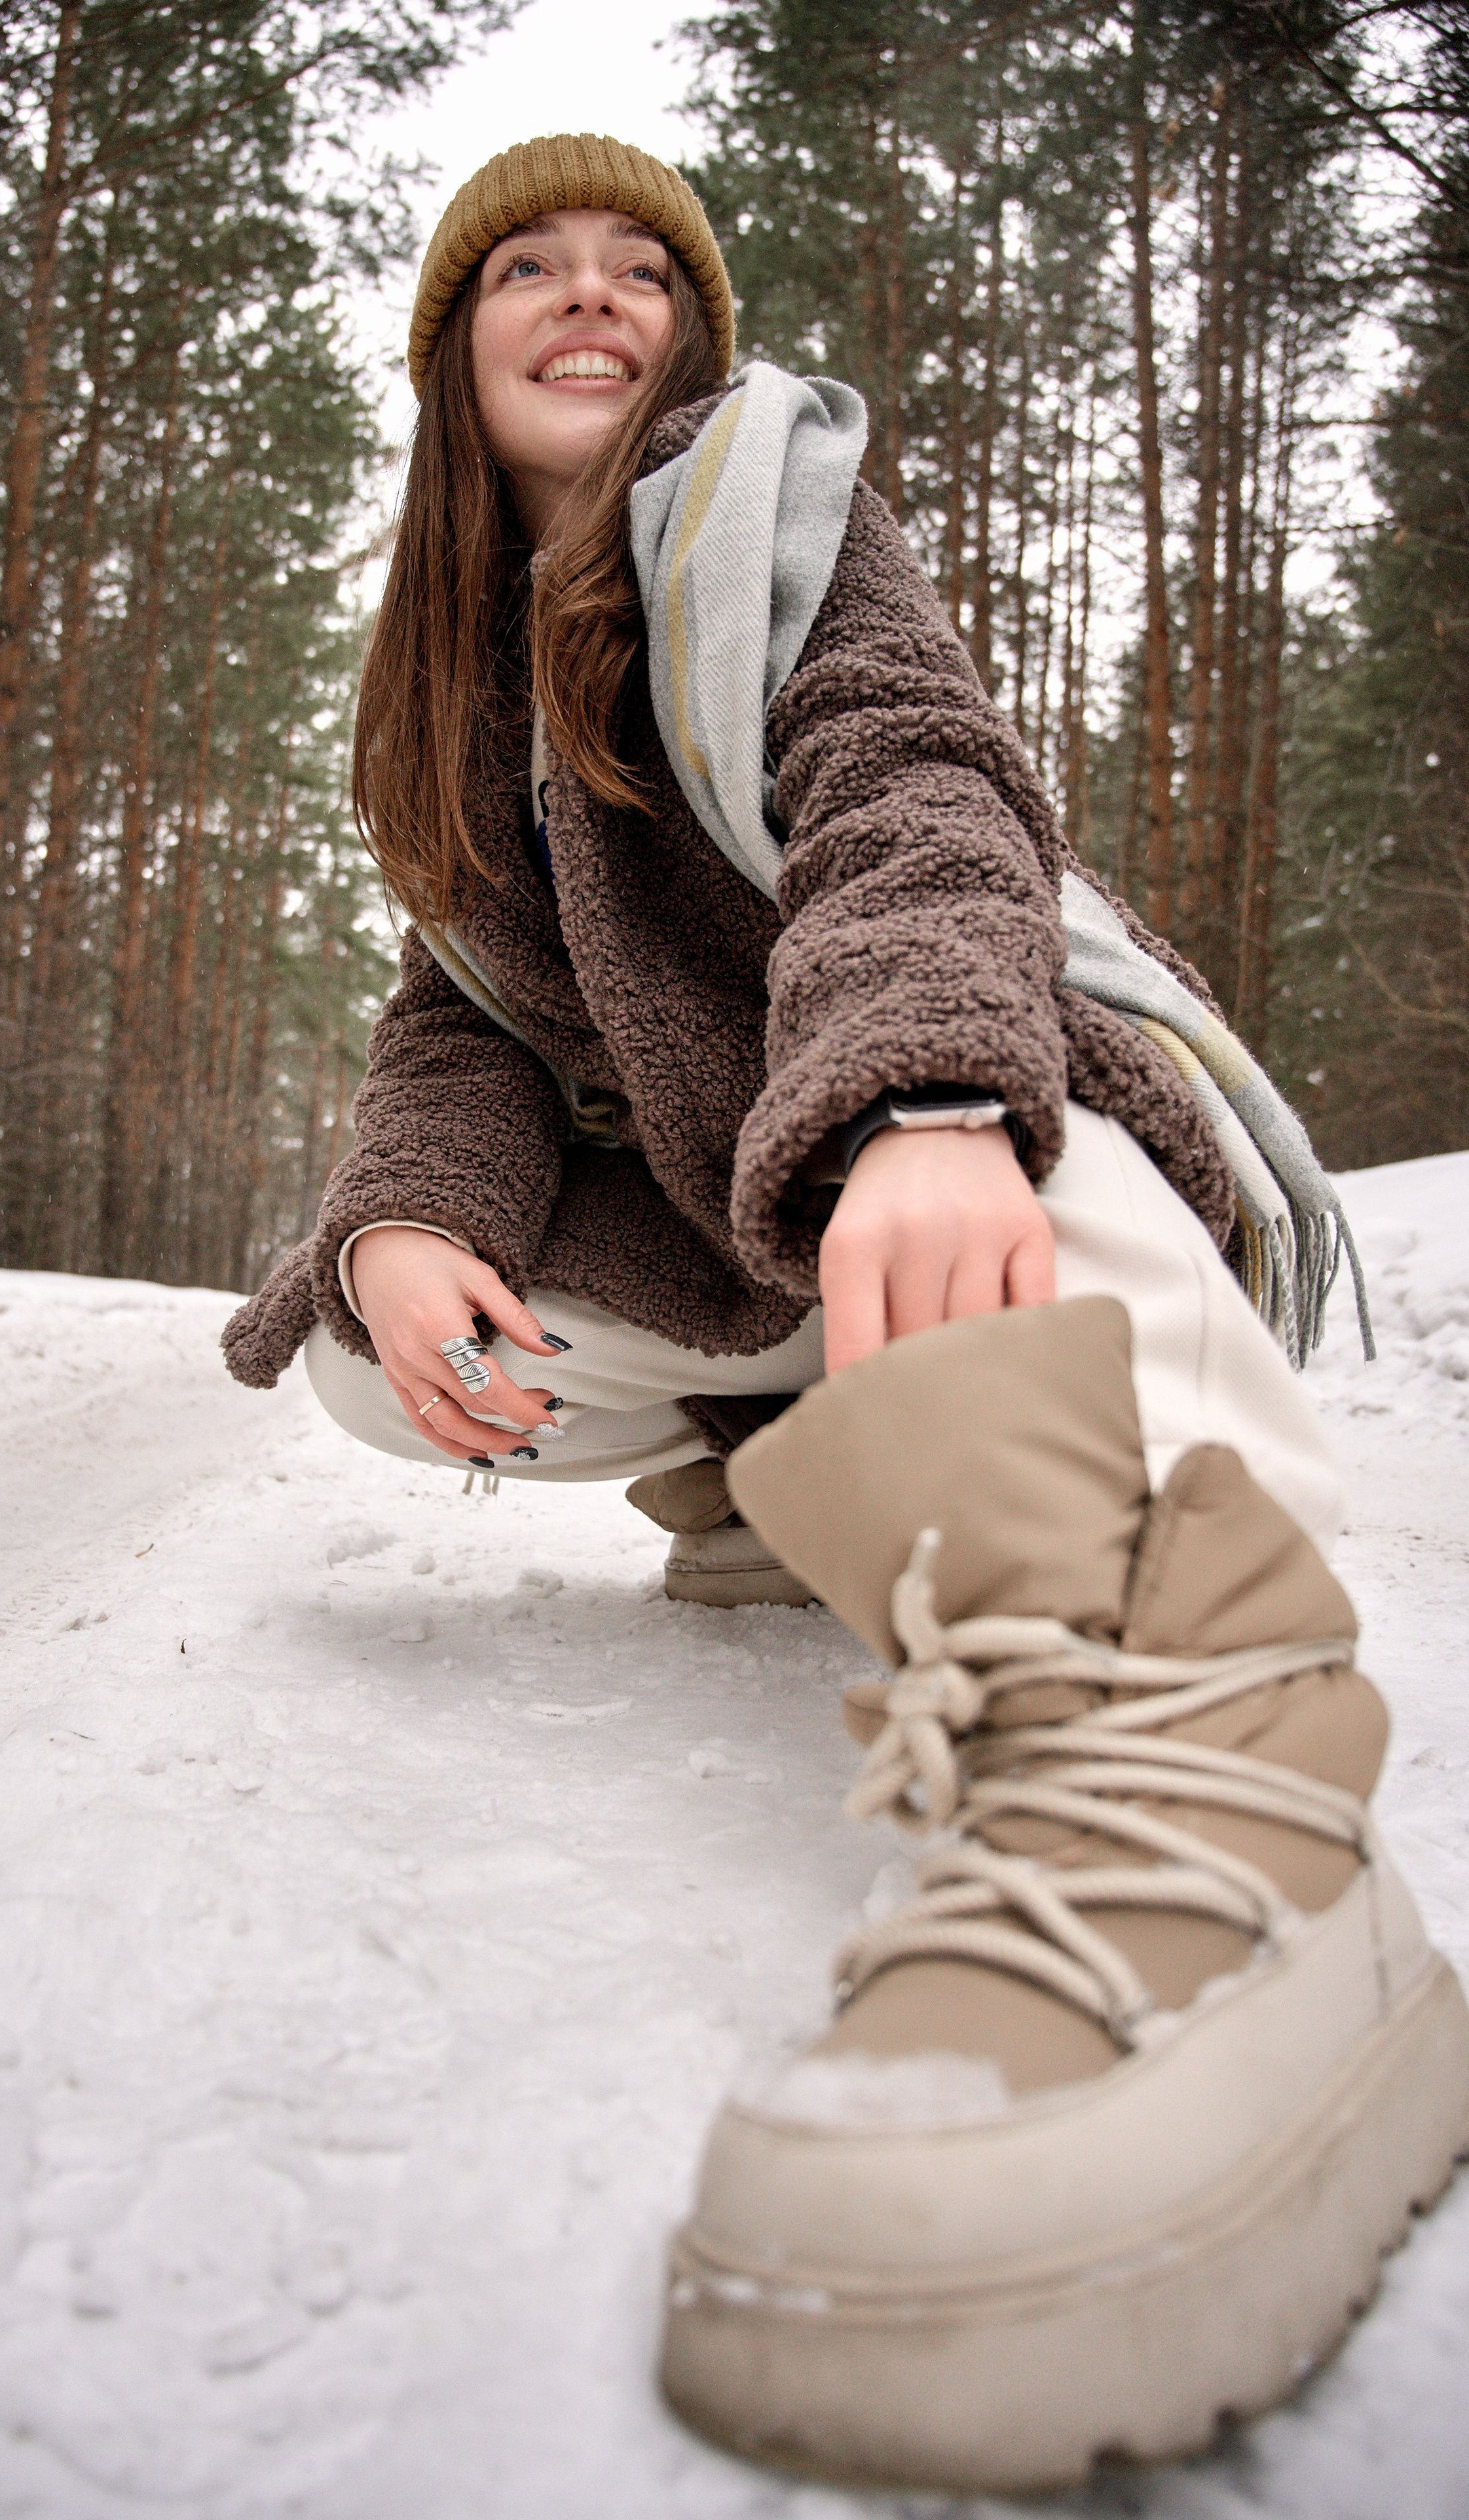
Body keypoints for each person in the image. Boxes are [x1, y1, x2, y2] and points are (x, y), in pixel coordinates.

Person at [221, 136, 1468, 2493]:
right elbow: (470, 1032)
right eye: (530, 274)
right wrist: (399, 1227)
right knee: (382, 1364)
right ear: (451, 359)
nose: (591, 302)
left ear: (688, 332)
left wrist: (915, 1090)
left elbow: (913, 780)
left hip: (956, 1065)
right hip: (745, 1217)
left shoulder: (761, 494)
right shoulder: (458, 682)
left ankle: (1225, 1762)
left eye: (636, 275)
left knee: (1018, 1152)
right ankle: (787, 1480)